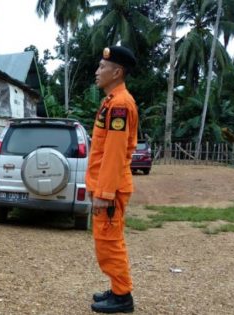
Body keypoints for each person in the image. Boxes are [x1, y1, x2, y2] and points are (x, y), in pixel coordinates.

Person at [86, 46, 139, 314]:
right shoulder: (111, 101)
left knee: (110, 242)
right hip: (108, 185)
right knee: (106, 241)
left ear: (117, 72)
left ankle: (122, 296)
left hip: (112, 188)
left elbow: (115, 155)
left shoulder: (119, 105)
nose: (97, 71)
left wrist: (103, 193)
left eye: (102, 67)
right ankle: (117, 289)